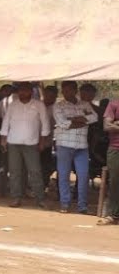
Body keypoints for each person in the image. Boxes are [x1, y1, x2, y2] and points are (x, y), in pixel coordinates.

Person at [0, 82, 51, 209]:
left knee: (35, 171)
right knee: (14, 171)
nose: (23, 93)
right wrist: (3, 139)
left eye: (26, 90)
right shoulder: (13, 105)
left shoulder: (39, 105)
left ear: (31, 91)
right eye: (21, 90)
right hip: (13, 142)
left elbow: (45, 123)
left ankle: (40, 198)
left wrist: (43, 141)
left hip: (31, 142)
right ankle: (16, 198)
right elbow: (6, 122)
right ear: (18, 92)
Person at [52, 80, 98, 214]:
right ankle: (64, 203)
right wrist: (82, 120)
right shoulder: (59, 106)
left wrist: (73, 119)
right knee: (64, 174)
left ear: (75, 90)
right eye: (64, 91)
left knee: (83, 175)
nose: (66, 93)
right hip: (64, 144)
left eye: (69, 90)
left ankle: (82, 206)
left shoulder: (84, 104)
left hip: (82, 145)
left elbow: (94, 117)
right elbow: (62, 123)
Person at [100, 97, 119, 226]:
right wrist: (114, 124)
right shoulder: (114, 104)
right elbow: (106, 126)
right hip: (115, 148)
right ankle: (113, 215)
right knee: (114, 182)